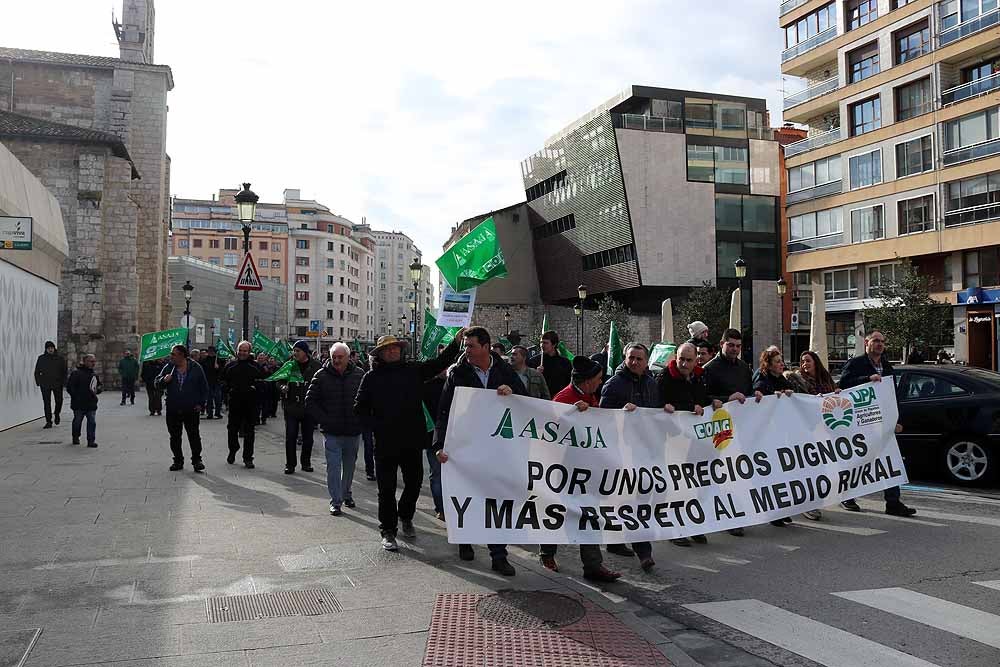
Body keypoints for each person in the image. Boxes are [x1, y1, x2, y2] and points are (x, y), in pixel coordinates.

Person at [355, 330, 463, 552]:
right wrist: (376, 426)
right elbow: (359, 408)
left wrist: (456, 342)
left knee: (414, 484)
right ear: (381, 354)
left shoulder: (413, 370)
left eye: (395, 348)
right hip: (385, 443)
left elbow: (440, 362)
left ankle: (405, 516)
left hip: (412, 440)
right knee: (386, 489)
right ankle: (388, 531)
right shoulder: (371, 377)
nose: (393, 351)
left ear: (401, 351)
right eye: (387, 349)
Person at [434, 326, 527, 575]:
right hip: (466, 446)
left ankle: (499, 555)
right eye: (465, 346)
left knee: (495, 500)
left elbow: (526, 400)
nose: (466, 350)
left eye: (471, 345)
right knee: (468, 495)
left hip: (497, 449)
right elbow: (445, 410)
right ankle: (465, 539)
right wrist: (439, 446)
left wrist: (512, 393)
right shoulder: (458, 373)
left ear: (486, 347)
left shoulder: (505, 370)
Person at [539, 356, 622, 582]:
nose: (600, 382)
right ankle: (547, 554)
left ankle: (593, 566)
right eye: (597, 379)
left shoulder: (590, 397)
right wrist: (572, 414)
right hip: (563, 470)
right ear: (586, 381)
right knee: (557, 513)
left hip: (586, 470)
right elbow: (550, 430)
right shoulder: (564, 398)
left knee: (589, 515)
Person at [838, 331, 917, 517]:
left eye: (882, 342)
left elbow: (892, 395)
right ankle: (847, 496)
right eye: (876, 341)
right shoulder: (856, 363)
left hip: (883, 422)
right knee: (857, 461)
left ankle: (893, 502)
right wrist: (866, 379)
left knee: (889, 460)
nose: (880, 344)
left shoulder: (887, 366)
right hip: (861, 422)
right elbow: (844, 385)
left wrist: (897, 419)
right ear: (867, 342)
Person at [600, 342, 661, 570]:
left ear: (646, 362)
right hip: (621, 451)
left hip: (644, 450)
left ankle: (624, 543)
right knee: (629, 500)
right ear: (625, 359)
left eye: (639, 359)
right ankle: (643, 550)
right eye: (631, 358)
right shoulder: (614, 385)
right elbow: (603, 418)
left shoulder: (652, 384)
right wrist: (621, 414)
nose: (634, 362)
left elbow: (656, 413)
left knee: (638, 499)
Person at [658, 342, 721, 546]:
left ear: (696, 360)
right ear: (675, 357)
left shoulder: (701, 376)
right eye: (681, 359)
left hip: (695, 441)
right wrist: (687, 407)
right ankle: (674, 530)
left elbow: (701, 399)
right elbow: (659, 406)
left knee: (695, 484)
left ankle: (693, 525)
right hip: (673, 441)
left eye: (689, 360)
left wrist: (712, 401)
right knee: (677, 487)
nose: (684, 363)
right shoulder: (664, 378)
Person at [703, 328, 763, 536]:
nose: (735, 349)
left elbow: (746, 393)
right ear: (722, 344)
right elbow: (703, 397)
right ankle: (728, 517)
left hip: (741, 429)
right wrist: (726, 398)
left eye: (738, 346)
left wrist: (754, 394)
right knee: (723, 475)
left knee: (739, 474)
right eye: (731, 345)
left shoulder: (744, 368)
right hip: (719, 430)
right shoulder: (709, 369)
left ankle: (738, 513)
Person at [306, 342, 364, 515]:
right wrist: (324, 420)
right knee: (333, 467)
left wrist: (361, 419)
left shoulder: (359, 375)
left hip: (353, 431)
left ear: (348, 357)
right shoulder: (321, 375)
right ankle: (336, 501)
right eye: (334, 357)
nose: (337, 360)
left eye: (340, 357)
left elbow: (367, 400)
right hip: (332, 432)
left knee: (349, 466)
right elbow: (310, 401)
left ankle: (346, 493)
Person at [785, 350, 837, 521]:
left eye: (807, 360)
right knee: (808, 468)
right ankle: (807, 504)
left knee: (822, 467)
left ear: (815, 362)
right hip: (806, 429)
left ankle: (816, 500)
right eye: (802, 361)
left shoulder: (825, 378)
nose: (804, 364)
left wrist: (837, 393)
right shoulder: (797, 380)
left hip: (824, 428)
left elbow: (833, 395)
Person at [753, 348, 797, 527]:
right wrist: (772, 397)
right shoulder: (761, 378)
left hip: (781, 433)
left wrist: (788, 394)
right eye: (778, 361)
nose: (781, 364)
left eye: (781, 361)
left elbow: (792, 393)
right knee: (771, 475)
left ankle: (782, 509)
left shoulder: (781, 379)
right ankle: (773, 512)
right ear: (769, 364)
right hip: (766, 434)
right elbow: (758, 397)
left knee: (782, 473)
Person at [156, 345, 209, 472]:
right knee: (174, 436)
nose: (171, 356)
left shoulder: (195, 367)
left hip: (191, 408)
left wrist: (200, 404)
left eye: (173, 354)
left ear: (182, 355)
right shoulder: (169, 367)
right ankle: (178, 460)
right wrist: (164, 380)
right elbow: (156, 382)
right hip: (173, 408)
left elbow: (204, 387)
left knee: (194, 435)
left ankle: (197, 460)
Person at [282, 341, 324, 474]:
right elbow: (279, 380)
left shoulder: (316, 366)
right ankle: (290, 464)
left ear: (305, 352)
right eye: (294, 350)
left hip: (308, 408)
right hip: (291, 406)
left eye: (298, 351)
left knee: (308, 438)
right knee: (291, 436)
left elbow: (322, 384)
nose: (295, 353)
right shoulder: (289, 365)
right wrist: (282, 387)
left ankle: (306, 462)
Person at [222, 341, 264, 468]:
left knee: (249, 431)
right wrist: (228, 390)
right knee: (232, 429)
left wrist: (255, 388)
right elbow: (223, 381)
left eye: (245, 351)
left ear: (249, 352)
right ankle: (233, 449)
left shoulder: (256, 366)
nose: (242, 353)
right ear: (237, 351)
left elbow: (263, 382)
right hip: (235, 402)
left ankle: (248, 457)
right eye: (240, 350)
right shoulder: (230, 366)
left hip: (250, 403)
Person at [422, 369, 447, 521]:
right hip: (434, 438)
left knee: (438, 474)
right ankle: (441, 508)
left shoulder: (455, 382)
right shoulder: (427, 386)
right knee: (437, 474)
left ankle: (444, 508)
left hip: (446, 437)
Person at [66, 354, 101, 447]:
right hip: (79, 403)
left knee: (92, 422)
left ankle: (91, 441)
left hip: (91, 403)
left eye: (94, 361)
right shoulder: (76, 373)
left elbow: (98, 387)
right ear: (84, 362)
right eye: (91, 361)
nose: (93, 363)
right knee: (77, 421)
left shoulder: (94, 375)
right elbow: (70, 387)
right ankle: (75, 436)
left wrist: (98, 390)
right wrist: (75, 397)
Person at [527, 331, 572, 397]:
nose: (542, 345)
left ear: (554, 344)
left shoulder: (564, 363)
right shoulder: (534, 361)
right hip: (540, 400)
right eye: (541, 342)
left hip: (559, 400)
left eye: (545, 343)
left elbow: (569, 384)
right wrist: (536, 374)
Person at [34, 341, 68, 429]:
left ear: (54, 348)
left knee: (59, 401)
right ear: (46, 349)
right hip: (45, 384)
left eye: (52, 348)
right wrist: (39, 382)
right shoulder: (41, 358)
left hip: (57, 383)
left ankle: (57, 414)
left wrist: (64, 382)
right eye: (49, 348)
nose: (50, 350)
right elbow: (37, 371)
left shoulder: (60, 358)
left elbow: (64, 371)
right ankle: (48, 421)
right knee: (46, 403)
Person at [201, 346, 223, 419]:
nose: (210, 353)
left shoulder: (218, 360)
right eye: (209, 351)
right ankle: (209, 413)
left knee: (218, 399)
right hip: (208, 382)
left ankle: (217, 413)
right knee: (209, 399)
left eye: (212, 351)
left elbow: (222, 371)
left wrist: (218, 368)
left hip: (216, 381)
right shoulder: (205, 360)